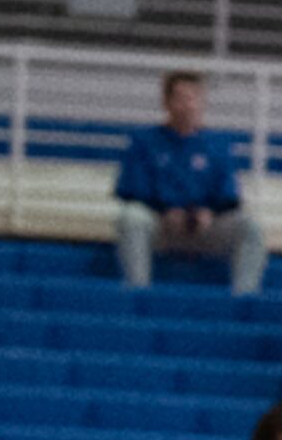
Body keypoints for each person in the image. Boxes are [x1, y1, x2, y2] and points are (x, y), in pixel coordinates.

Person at [108, 68, 266, 294]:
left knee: (250, 227)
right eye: (180, 98)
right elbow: (132, 189)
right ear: (166, 102)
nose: (187, 105)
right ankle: (138, 291)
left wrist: (209, 212)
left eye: (193, 98)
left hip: (206, 227)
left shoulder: (218, 145)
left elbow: (229, 195)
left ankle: (245, 297)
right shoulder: (144, 141)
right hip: (160, 225)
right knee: (132, 218)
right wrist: (164, 211)